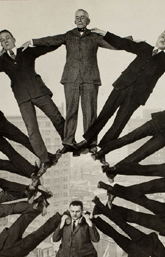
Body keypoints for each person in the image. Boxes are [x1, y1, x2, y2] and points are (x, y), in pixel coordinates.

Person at [0, 29, 65, 179]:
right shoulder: (2, 61)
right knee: (32, 130)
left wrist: (47, 41)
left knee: (56, 117)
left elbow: (49, 47)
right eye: (2, 40)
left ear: (14, 39)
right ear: (1, 45)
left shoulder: (26, 51)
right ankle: (45, 159)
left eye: (7, 38)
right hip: (23, 99)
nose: (5, 41)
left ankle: (68, 142)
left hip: (39, 92)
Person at [21, 9, 125, 151]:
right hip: (70, 79)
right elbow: (52, 40)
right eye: (77, 17)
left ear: (88, 21)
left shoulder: (95, 36)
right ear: (74, 20)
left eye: (83, 17)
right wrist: (33, 41)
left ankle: (91, 143)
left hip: (90, 79)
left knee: (90, 112)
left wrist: (129, 42)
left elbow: (113, 44)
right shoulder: (68, 35)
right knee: (71, 110)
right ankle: (68, 141)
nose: (80, 20)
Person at [73, 28, 165, 162]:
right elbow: (123, 43)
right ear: (158, 36)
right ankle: (87, 141)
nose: (163, 39)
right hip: (122, 86)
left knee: (119, 123)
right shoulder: (144, 47)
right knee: (105, 113)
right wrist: (105, 33)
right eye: (163, 36)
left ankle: (103, 149)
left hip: (137, 96)